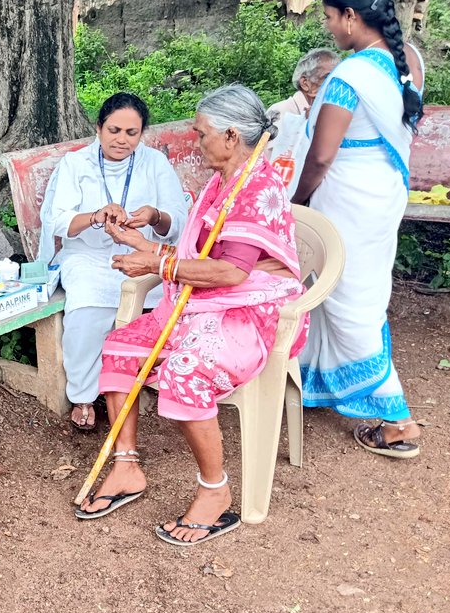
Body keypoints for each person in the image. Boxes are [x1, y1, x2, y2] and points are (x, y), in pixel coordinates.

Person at [78, 85, 306, 546]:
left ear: (230, 134)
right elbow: (198, 255)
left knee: (185, 372)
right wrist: (142, 247)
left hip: (248, 314)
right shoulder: (225, 180)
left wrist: (157, 264)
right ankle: (126, 467)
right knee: (119, 346)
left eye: (201, 134)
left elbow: (229, 270)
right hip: (203, 304)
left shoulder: (256, 188)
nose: (196, 141)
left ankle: (215, 493)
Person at [293, 0, 426, 458]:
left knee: (347, 300)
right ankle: (316, 384)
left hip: (346, 199)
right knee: (357, 292)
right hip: (382, 193)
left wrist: (296, 201)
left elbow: (322, 156)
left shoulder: (350, 74)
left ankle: (397, 421)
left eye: (330, 17)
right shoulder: (407, 58)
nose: (328, 27)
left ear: (350, 16)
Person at [39, 92, 187, 431]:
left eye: (131, 133)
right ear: (99, 128)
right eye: (114, 130)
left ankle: (134, 384)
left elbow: (177, 220)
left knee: (165, 300)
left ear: (142, 134)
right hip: (88, 256)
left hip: (142, 252)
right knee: (87, 311)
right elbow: (60, 222)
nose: (121, 140)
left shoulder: (155, 163)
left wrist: (153, 216)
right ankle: (83, 396)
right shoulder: (75, 164)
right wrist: (95, 216)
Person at [268, 48, 340, 120]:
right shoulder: (280, 112)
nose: (338, 85)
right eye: (327, 78)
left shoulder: (331, 112)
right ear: (305, 83)